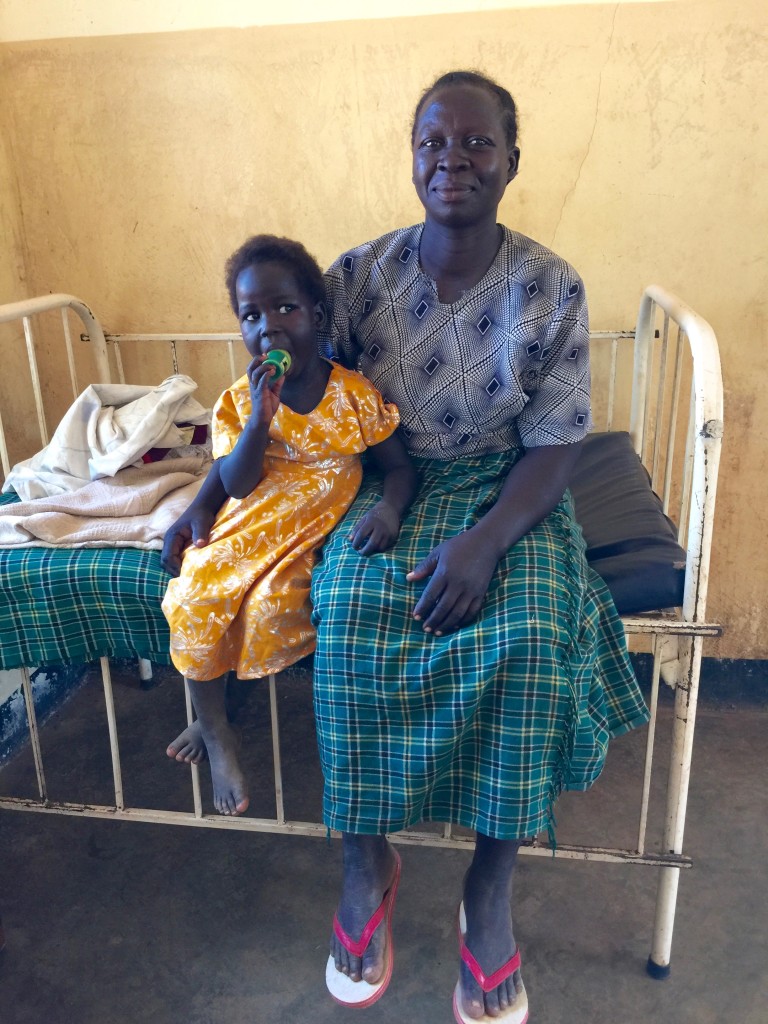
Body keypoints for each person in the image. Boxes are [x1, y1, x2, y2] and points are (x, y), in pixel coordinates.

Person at [163, 72, 649, 1024]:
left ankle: (489, 888)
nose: (452, 159)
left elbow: (555, 444)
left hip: (510, 491)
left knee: (535, 623)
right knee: (346, 604)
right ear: (412, 155)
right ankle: (363, 859)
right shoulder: (356, 276)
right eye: (433, 141)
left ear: (512, 160)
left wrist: (484, 544)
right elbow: (286, 372)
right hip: (384, 482)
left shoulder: (551, 286)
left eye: (476, 143)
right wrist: (209, 487)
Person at [160, 234, 417, 818]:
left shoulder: (353, 395)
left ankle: (221, 711)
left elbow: (398, 467)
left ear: (317, 316)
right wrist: (258, 421)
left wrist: (389, 509)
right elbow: (238, 480)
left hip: (305, 536)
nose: (269, 327)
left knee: (269, 605)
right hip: (248, 521)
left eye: (285, 308)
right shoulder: (239, 401)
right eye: (252, 316)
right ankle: (215, 727)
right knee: (199, 590)